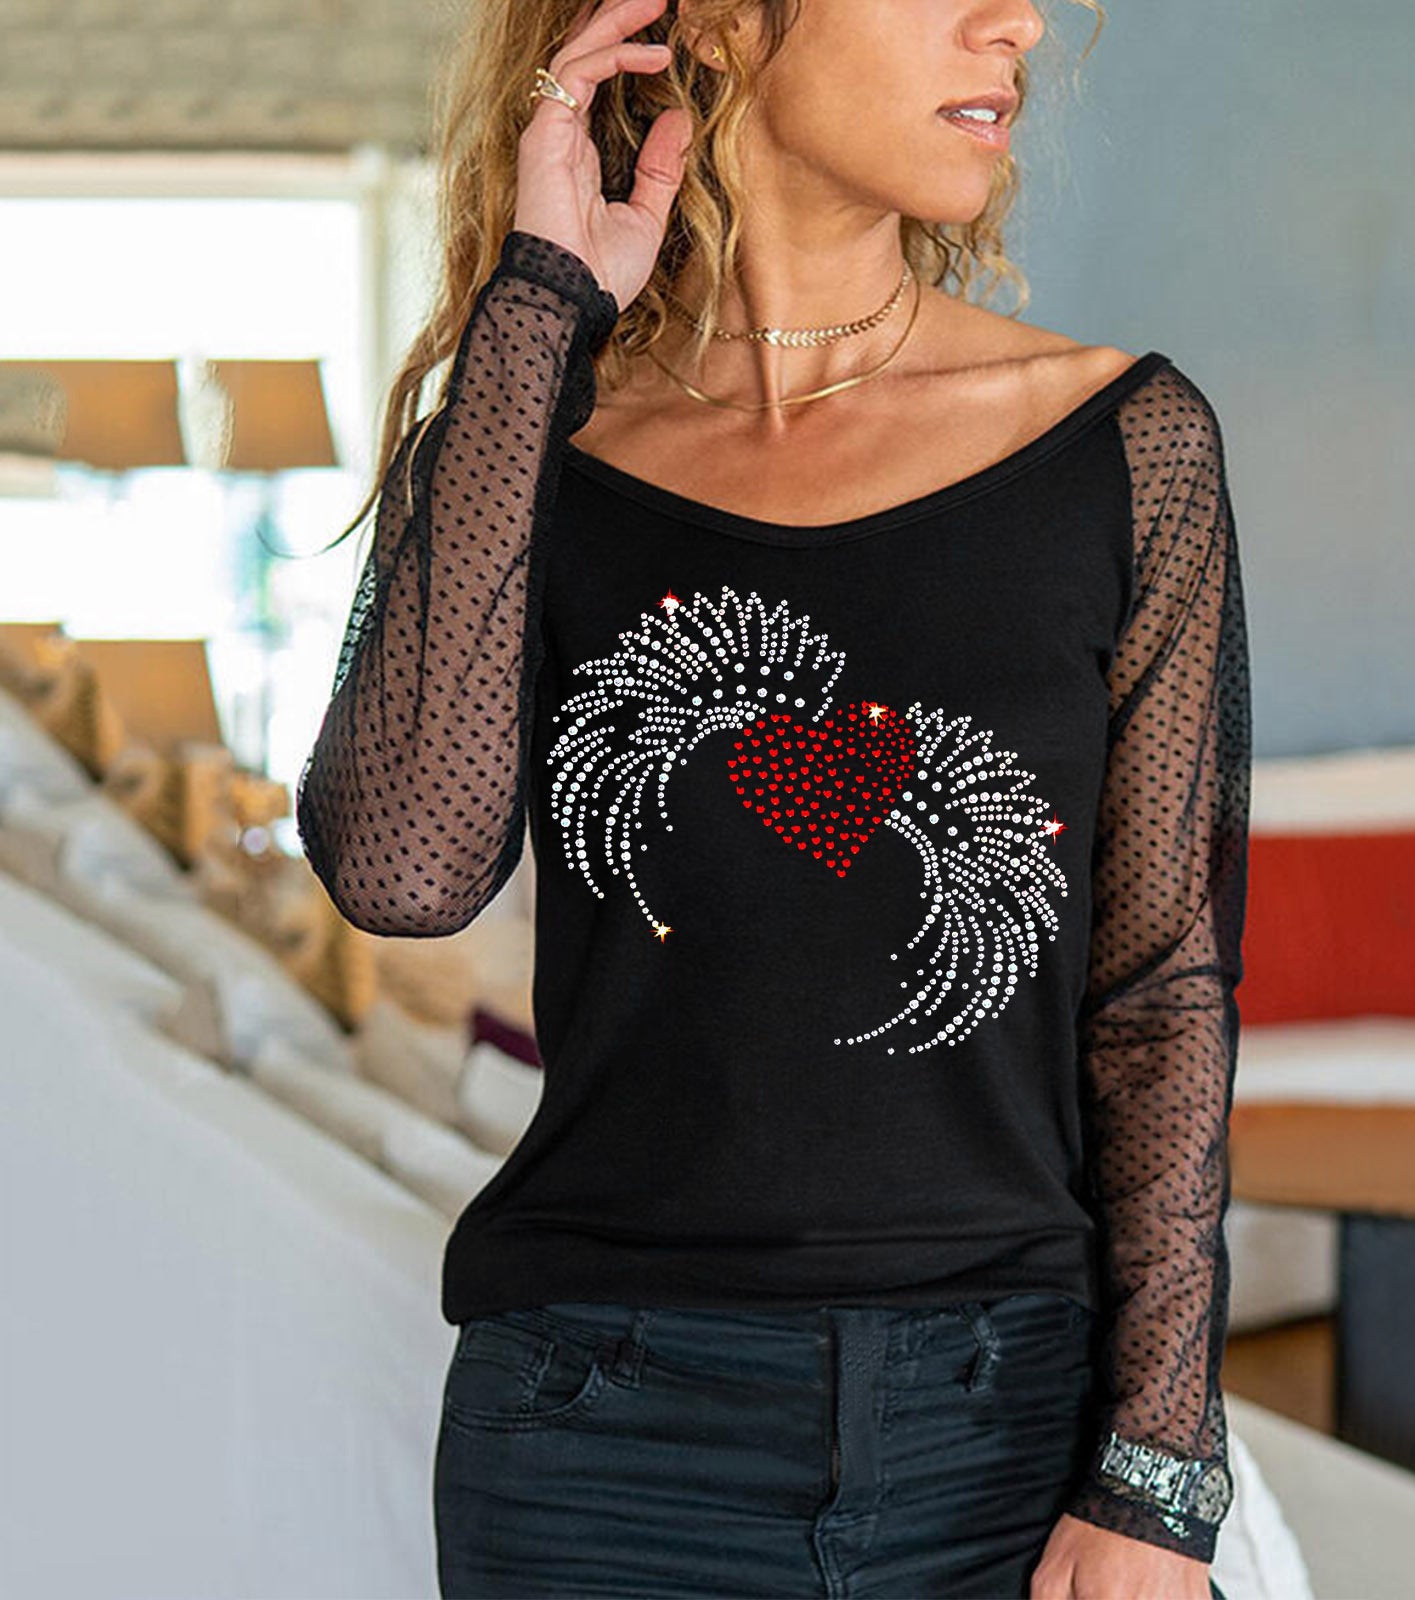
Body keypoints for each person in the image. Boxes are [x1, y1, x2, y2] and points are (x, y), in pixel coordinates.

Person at [295, 0, 1250, 1594]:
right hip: (597, 1445)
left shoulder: (1121, 446)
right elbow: (403, 870)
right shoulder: (534, 441)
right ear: (728, 22)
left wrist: (1157, 1476)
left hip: (1000, 1434)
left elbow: (1161, 989)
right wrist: (538, 310)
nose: (1016, 24)